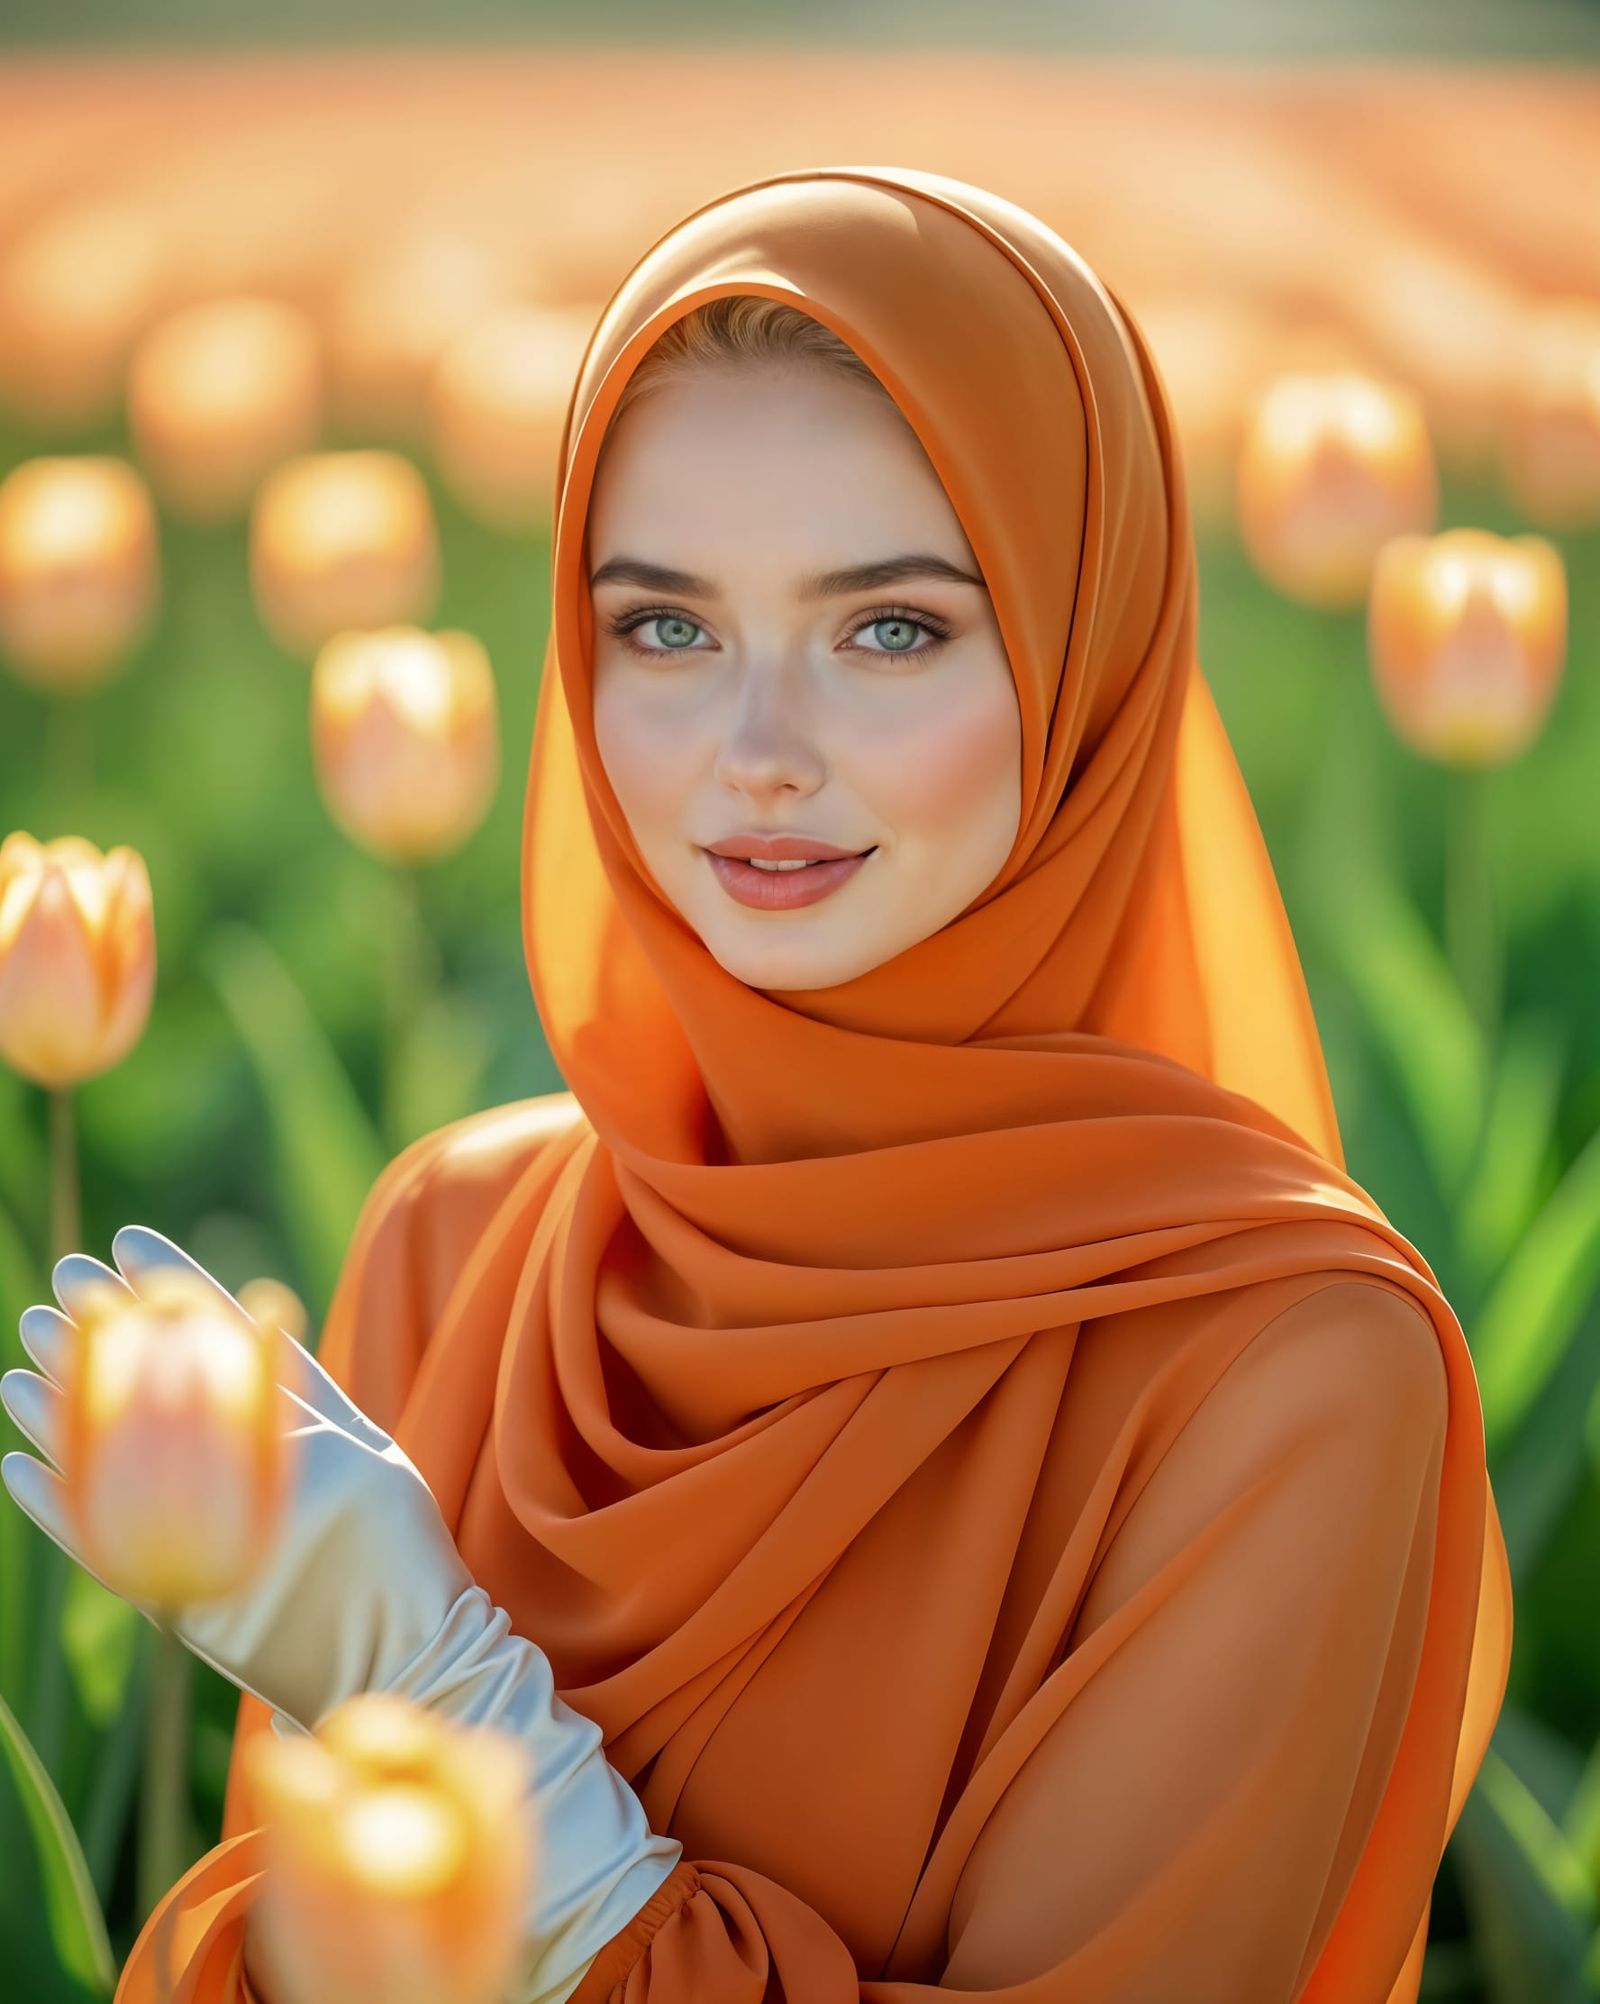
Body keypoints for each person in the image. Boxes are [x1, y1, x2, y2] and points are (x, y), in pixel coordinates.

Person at [3, 164, 1512, 2004]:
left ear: (1085, 657)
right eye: (664, 628)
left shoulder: (1283, 1366)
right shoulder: (460, 1238)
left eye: (890, 629)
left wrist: (432, 1694)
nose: (758, 754)